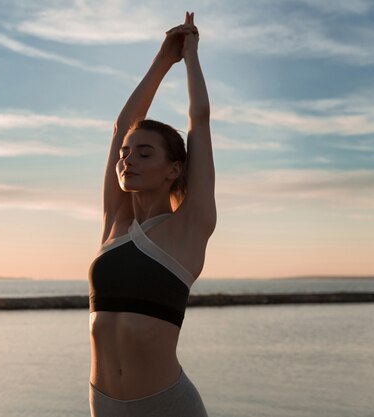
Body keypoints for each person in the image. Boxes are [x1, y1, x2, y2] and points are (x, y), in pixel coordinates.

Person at [88, 11, 215, 417]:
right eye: (126, 154)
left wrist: (190, 56)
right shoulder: (114, 223)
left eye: (145, 153)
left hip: (167, 406)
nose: (128, 160)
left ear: (175, 168)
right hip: (103, 402)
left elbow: (199, 121)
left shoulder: (190, 227)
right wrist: (162, 60)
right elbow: (121, 127)